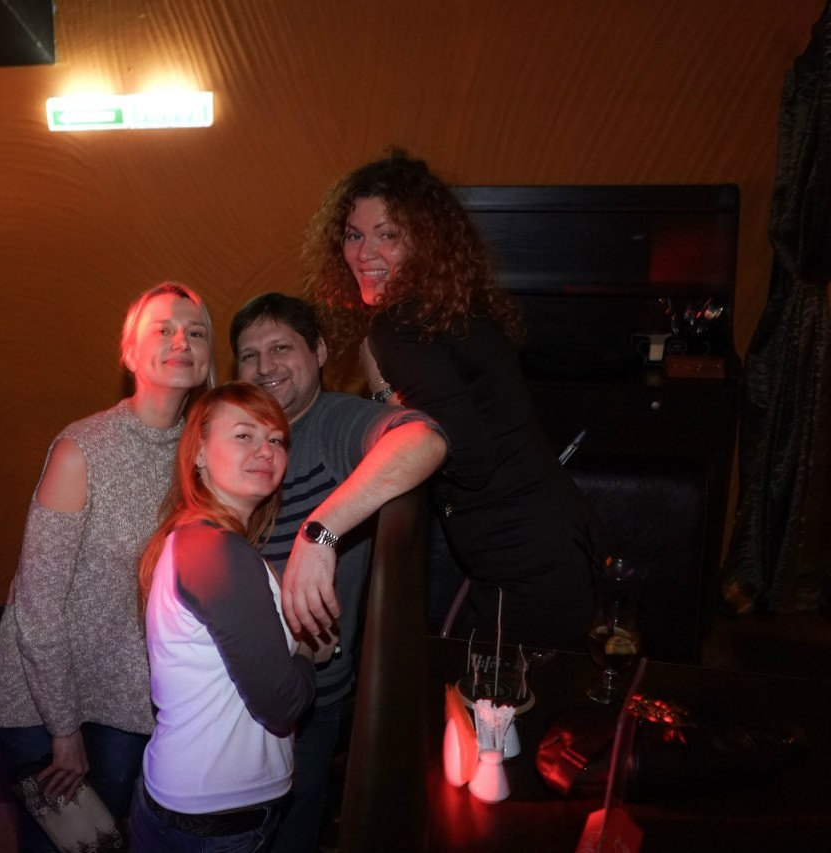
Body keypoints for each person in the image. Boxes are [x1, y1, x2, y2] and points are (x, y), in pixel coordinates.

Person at [305, 147, 608, 651]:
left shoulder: (399, 325)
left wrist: (382, 390)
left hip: (526, 566)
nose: (364, 254)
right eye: (354, 235)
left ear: (424, 241)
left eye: (387, 235)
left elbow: (468, 457)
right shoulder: (451, 305)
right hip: (560, 542)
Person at [0, 282, 215, 853]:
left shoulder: (204, 455)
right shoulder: (81, 450)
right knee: (65, 845)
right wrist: (63, 730)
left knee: (107, 844)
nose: (181, 340)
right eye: (162, 329)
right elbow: (37, 609)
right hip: (40, 701)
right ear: (129, 353)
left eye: (196, 332)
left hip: (130, 702)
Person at [230, 293, 447, 853]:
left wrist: (319, 532)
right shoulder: (237, 430)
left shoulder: (329, 421)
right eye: (250, 355)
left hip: (307, 702)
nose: (265, 366)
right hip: (231, 699)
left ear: (320, 351)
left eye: (282, 348)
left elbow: (423, 439)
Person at [131, 382, 337, 853]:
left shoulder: (199, 538)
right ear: (199, 454)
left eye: (276, 439)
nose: (265, 450)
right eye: (244, 435)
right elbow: (283, 703)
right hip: (211, 822)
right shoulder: (216, 551)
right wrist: (309, 647)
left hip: (195, 807)